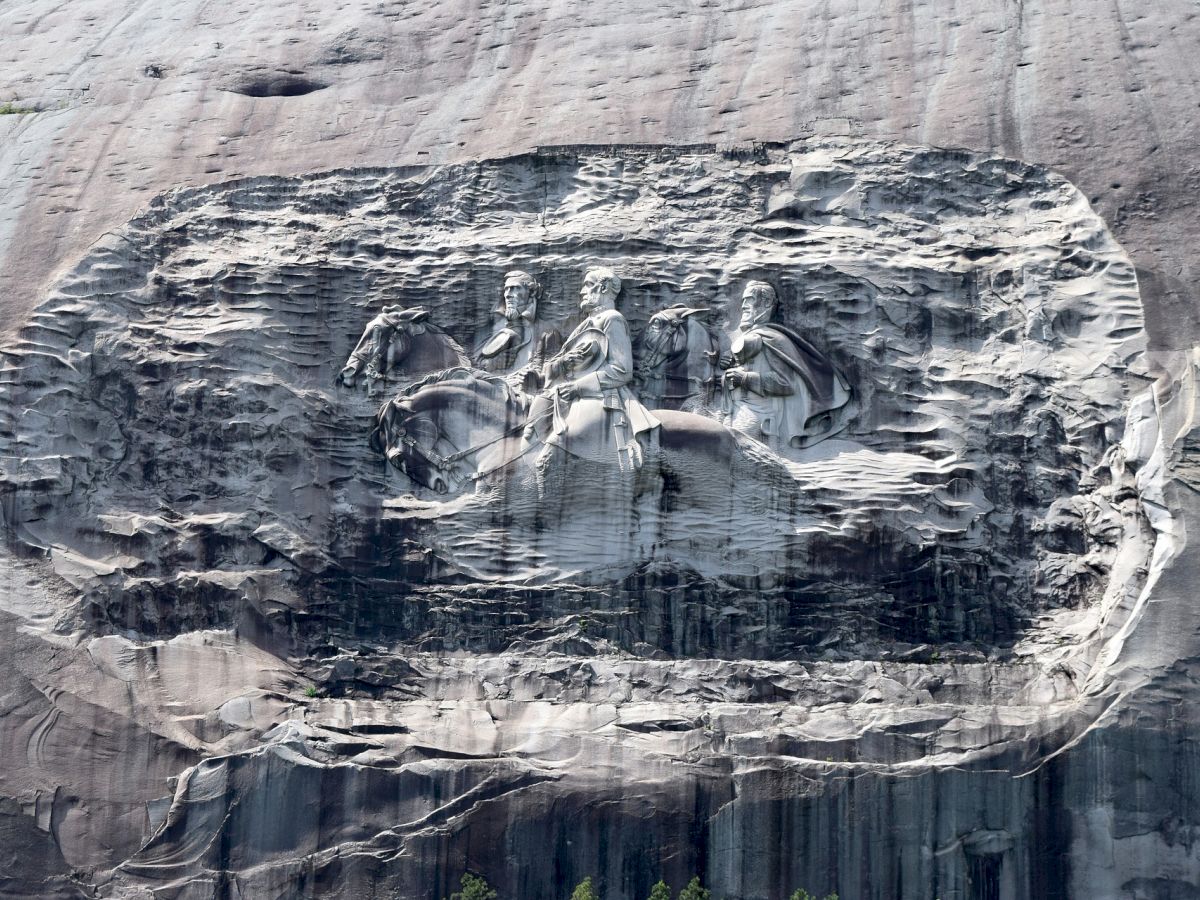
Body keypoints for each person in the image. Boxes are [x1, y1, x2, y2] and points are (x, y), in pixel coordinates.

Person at [523, 266, 658, 472]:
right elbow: (567, 362)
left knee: (547, 461)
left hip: (599, 397)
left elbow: (622, 369)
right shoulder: (586, 324)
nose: (582, 291)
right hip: (566, 395)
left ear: (603, 288)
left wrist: (578, 387)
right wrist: (544, 375)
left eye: (587, 285)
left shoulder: (612, 319)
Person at [720, 280, 850, 450]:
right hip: (731, 408)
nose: (744, 305)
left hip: (759, 415)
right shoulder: (751, 337)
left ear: (766, 303)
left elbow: (786, 384)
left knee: (727, 447)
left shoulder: (773, 338)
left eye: (750, 299)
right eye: (743, 300)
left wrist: (744, 378)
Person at [473, 270, 561, 390]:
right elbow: (480, 367)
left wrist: (531, 377)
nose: (508, 294)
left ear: (532, 292)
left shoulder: (548, 332)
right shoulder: (495, 329)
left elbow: (551, 374)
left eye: (515, 288)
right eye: (506, 289)